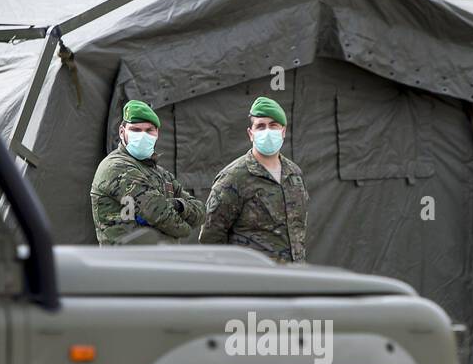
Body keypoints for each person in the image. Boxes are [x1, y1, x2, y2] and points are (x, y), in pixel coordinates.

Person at [201, 96, 309, 263]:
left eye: (273, 125)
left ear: (283, 131)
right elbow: (210, 238)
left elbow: (298, 231)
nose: (267, 131)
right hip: (254, 281)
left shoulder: (294, 174)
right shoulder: (233, 177)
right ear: (251, 134)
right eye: (260, 126)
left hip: (294, 279)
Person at [91, 99, 204, 245]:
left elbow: (200, 212)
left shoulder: (161, 173)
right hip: (125, 262)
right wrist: (186, 227)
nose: (143, 136)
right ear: (122, 132)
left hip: (159, 261)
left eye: (149, 130)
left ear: (157, 133)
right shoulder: (116, 167)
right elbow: (163, 217)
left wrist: (178, 205)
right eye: (136, 130)